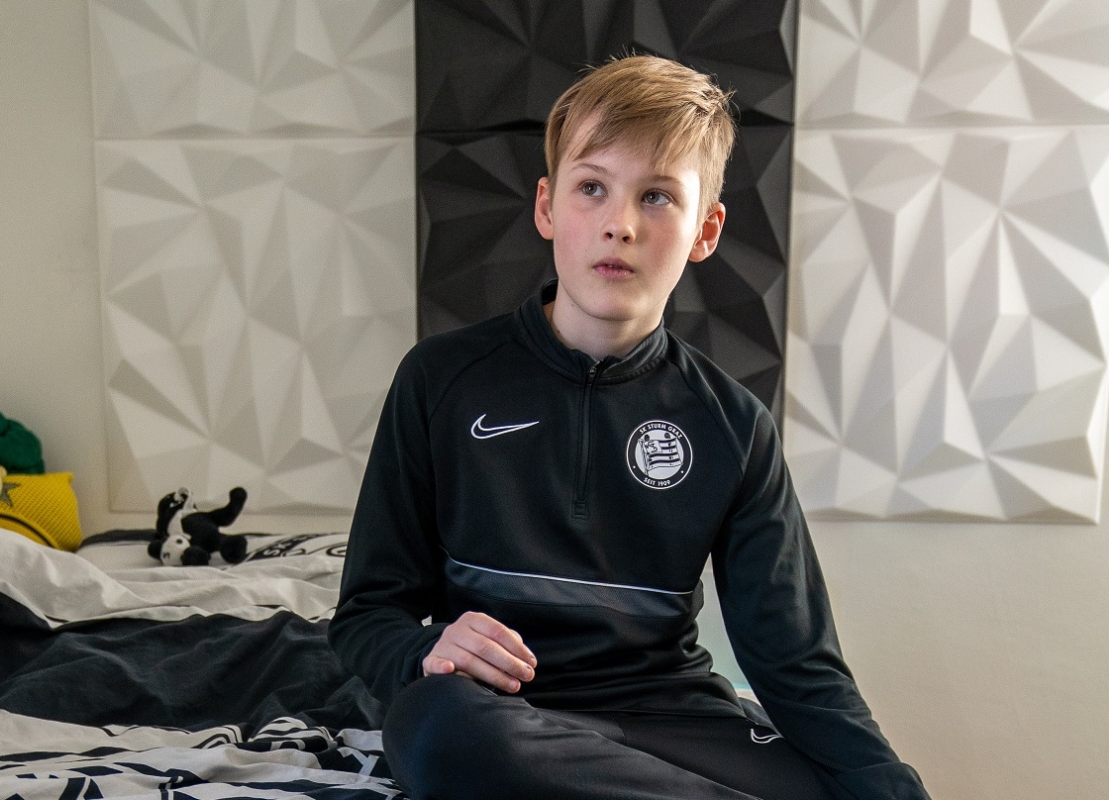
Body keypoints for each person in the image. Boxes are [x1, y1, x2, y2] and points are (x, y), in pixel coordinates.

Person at [328, 55, 931, 800]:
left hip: (674, 718)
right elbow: (367, 615)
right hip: (503, 714)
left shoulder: (734, 425)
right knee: (435, 729)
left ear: (705, 230)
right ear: (547, 208)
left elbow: (799, 666)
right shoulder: (439, 380)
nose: (620, 224)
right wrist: (424, 648)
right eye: (592, 188)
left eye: (657, 197)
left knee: (837, 784)